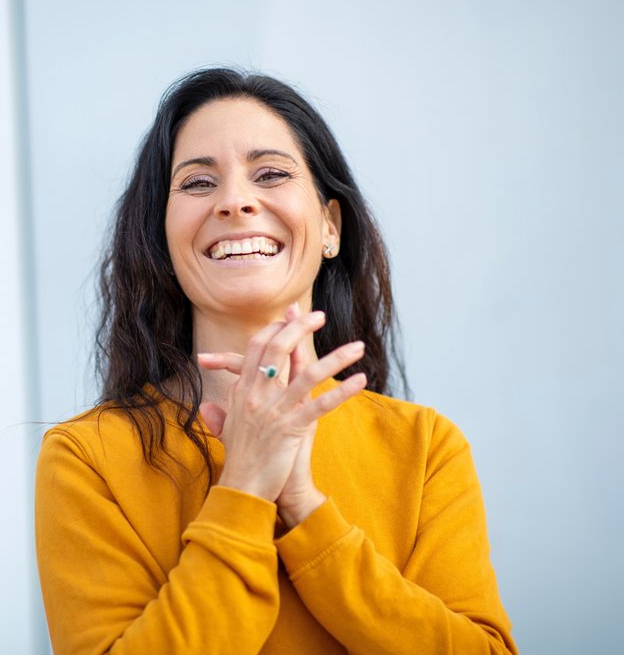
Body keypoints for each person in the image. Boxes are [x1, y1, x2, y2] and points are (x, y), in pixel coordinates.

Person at [34, 67, 517, 654]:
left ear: (330, 227)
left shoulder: (425, 450)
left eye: (270, 174)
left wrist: (306, 511)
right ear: (162, 236)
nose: (235, 201)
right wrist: (244, 488)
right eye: (197, 183)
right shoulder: (88, 459)